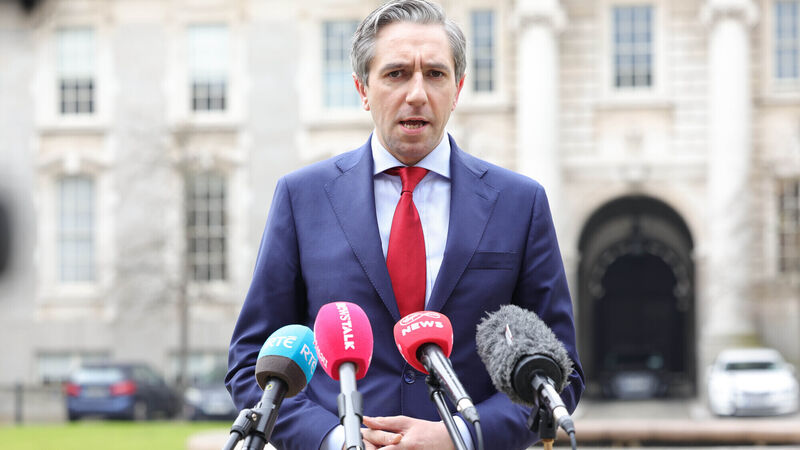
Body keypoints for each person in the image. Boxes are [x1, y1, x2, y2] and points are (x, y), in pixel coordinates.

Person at [226, 1, 584, 449]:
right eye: (396, 74)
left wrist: (460, 436)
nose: (417, 93)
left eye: (435, 74)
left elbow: (560, 372)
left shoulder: (520, 202)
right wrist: (335, 439)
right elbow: (251, 363)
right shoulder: (302, 198)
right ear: (362, 88)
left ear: (458, 89)